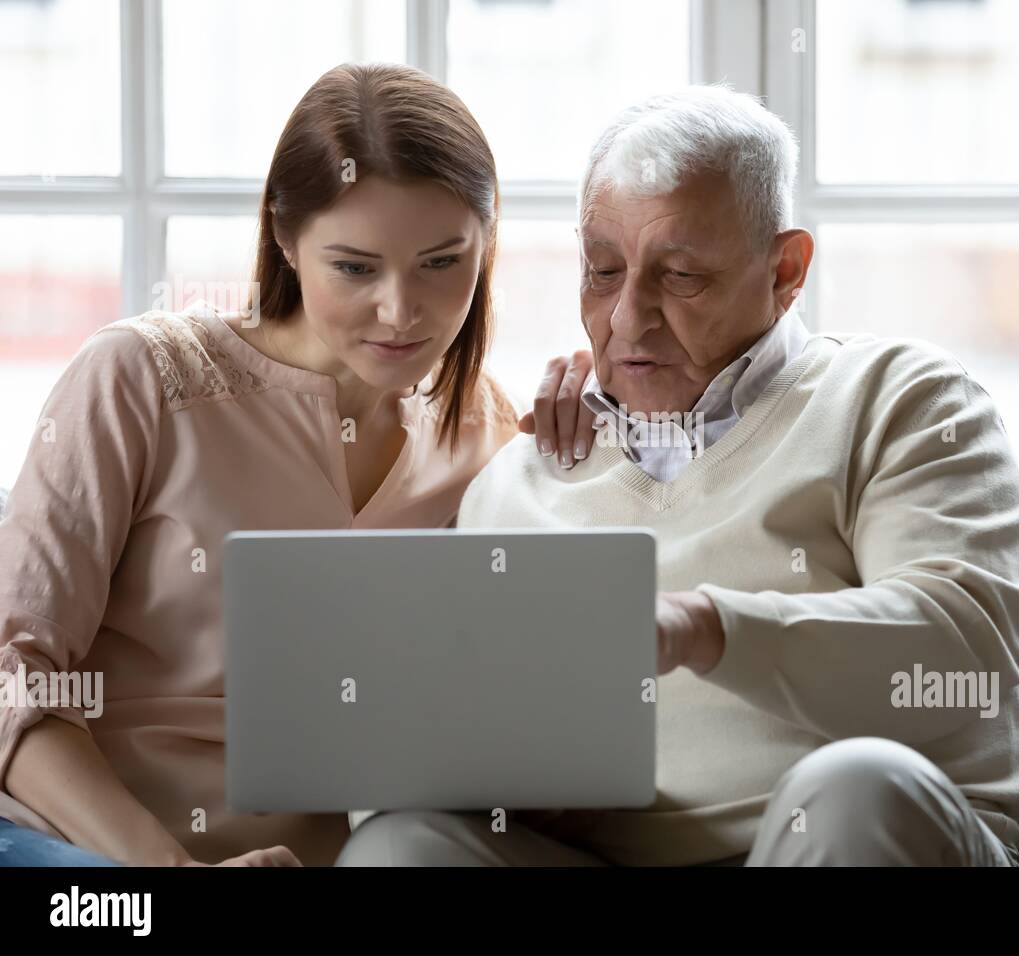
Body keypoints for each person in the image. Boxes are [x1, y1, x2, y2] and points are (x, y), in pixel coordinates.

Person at [336, 85, 1019, 867]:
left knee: (856, 786)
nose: (627, 319)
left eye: (680, 277)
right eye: (603, 271)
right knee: (398, 843)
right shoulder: (520, 476)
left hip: (845, 838)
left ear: (786, 270)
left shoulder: (901, 400)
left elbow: (965, 654)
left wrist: (704, 628)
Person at [0, 63, 590, 867]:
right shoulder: (139, 378)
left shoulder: (486, 433)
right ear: (285, 238)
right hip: (92, 846)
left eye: (442, 262)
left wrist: (599, 455)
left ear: (487, 246)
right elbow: (14, 679)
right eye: (354, 267)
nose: (401, 310)